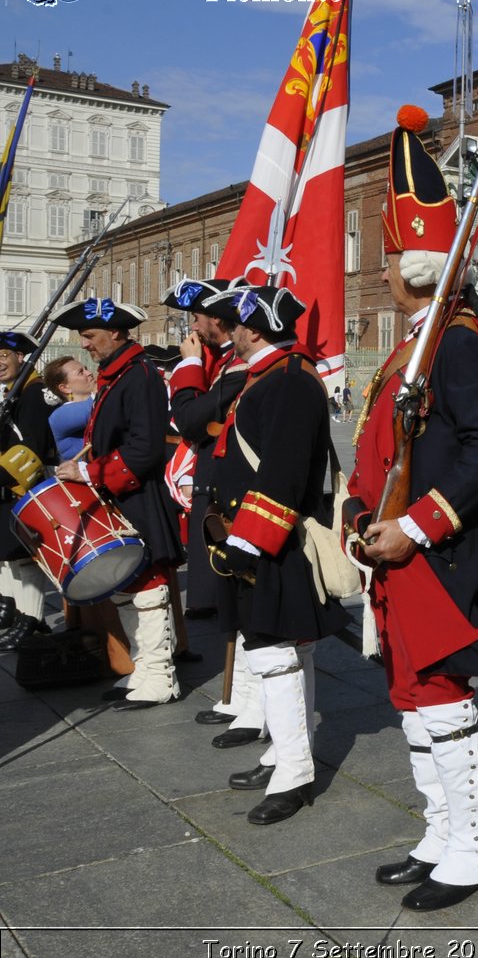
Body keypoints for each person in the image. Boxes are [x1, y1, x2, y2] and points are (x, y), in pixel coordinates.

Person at [347, 104, 478, 912]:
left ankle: (473, 849)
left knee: (443, 701)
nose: (380, 269)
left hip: (435, 555)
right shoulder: (411, 342)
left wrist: (416, 525)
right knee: (410, 698)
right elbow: (375, 453)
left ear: (405, 264)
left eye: (386, 256)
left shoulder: (456, 341)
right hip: (392, 551)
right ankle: (439, 831)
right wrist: (358, 515)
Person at [202, 283, 348, 824]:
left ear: (253, 327)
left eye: (233, 323)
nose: (226, 331)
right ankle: (290, 752)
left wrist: (246, 542)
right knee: (291, 651)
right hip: (257, 535)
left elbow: (282, 473)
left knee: (273, 654)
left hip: (271, 538)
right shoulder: (270, 377)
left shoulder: (287, 383)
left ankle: (294, 773)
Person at [52, 298, 185, 709]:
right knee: (128, 585)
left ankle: (162, 675)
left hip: (138, 494)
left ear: (115, 332)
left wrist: (88, 473)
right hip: (120, 494)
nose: (86, 346)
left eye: (90, 337)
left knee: (148, 583)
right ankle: (144, 667)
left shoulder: (139, 375)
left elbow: (144, 449)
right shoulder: (120, 374)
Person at [163, 277, 265, 748]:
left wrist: (186, 365)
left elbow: (186, 419)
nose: (193, 326)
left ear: (219, 320)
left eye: (198, 318)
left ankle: (252, 701)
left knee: (246, 603)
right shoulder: (224, 362)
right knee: (229, 602)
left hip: (235, 493)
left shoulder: (238, 367)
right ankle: (240, 693)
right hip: (215, 488)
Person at [0, 332, 59, 651]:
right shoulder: (15, 391)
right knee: (9, 557)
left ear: (21, 357)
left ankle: (32, 619)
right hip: (11, 484)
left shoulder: (33, 393)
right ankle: (14, 612)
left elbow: (32, 448)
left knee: (25, 557)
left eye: (4, 357)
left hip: (28, 484)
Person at [43, 355, 95, 459]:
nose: (89, 373)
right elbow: (95, 408)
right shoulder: (59, 416)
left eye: (86, 369)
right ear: (65, 388)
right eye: (81, 372)